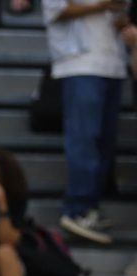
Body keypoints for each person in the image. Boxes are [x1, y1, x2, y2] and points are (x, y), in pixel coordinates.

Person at [43, 0, 128, 246]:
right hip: (79, 62)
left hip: (113, 61)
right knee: (85, 137)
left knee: (104, 140)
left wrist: (120, 16)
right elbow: (56, 9)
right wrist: (103, 5)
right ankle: (77, 208)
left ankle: (90, 207)